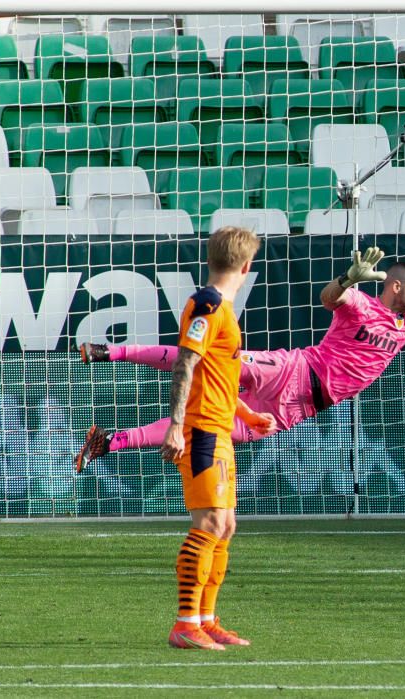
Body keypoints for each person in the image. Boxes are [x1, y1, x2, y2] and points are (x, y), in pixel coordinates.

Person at [75, 236, 405, 483]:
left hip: (300, 407)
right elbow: (328, 299)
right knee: (204, 361)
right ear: (395, 285)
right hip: (295, 369)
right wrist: (348, 280)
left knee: (211, 429)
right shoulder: (362, 303)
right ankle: (108, 351)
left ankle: (108, 443)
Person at [162, 225, 260, 651]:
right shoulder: (207, 305)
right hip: (200, 428)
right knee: (210, 523)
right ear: (247, 265)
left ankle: (206, 618)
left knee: (226, 526)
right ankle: (184, 623)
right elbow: (186, 362)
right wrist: (174, 424)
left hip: (220, 426)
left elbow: (216, 375)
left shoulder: (223, 308)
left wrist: (248, 413)